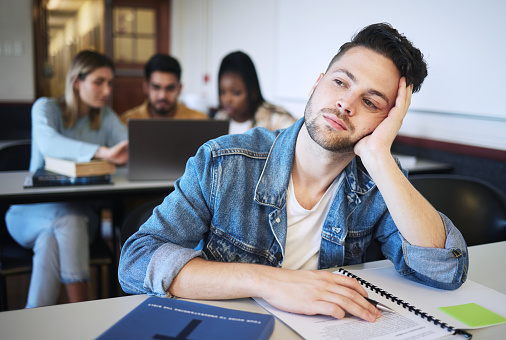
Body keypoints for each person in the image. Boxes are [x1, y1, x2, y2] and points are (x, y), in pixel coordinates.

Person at [119, 23, 468, 323]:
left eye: (371, 102)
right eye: (341, 82)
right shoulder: (224, 162)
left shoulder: (377, 182)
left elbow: (444, 270)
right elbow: (136, 262)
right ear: (317, 83)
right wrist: (269, 281)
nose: (346, 103)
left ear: (388, 121)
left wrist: (379, 156)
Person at [5, 50, 128, 308]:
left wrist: (129, 152)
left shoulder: (104, 116)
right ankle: (84, 313)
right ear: (76, 82)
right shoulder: (45, 108)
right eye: (98, 82)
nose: (106, 90)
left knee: (51, 239)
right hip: (29, 214)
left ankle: (33, 322)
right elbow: (50, 144)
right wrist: (102, 153)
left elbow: (129, 144)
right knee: (67, 220)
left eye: (109, 83)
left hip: (83, 219)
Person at [214, 51, 296, 133]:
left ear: (253, 91)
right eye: (222, 92)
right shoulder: (221, 118)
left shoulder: (275, 119)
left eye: (236, 93)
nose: (227, 99)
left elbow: (297, 134)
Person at [120, 54, 208, 124]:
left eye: (170, 88)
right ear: (146, 87)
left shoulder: (200, 120)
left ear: (179, 89)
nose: (162, 96)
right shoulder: (127, 122)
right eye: (156, 87)